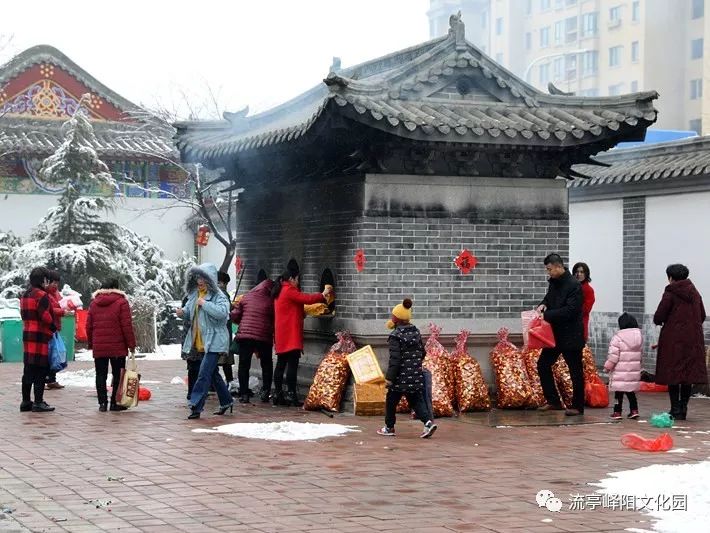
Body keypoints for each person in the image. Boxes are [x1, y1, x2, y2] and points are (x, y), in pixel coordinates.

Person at [177, 263, 233, 419]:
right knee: (213, 374)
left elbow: (223, 313)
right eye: (198, 277)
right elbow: (189, 310)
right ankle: (227, 401)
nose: (199, 280)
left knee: (203, 374)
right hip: (200, 341)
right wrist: (182, 312)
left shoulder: (219, 296)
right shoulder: (195, 294)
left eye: (203, 277)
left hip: (214, 341)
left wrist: (205, 304)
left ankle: (195, 406)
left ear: (210, 279)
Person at [271, 259, 330, 407]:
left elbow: (292, 308)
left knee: (280, 365)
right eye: (297, 279)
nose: (298, 282)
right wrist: (322, 295)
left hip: (282, 335)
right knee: (291, 366)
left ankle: (278, 394)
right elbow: (307, 299)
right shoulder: (289, 290)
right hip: (290, 335)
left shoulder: (280, 290)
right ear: (291, 279)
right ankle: (291, 394)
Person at [653, 264, 707, 421]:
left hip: (673, 340)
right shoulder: (695, 293)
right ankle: (683, 409)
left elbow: (659, 316)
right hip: (693, 340)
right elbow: (702, 315)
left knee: (673, 374)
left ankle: (675, 409)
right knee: (687, 375)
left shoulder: (670, 292)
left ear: (671, 277)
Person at [378, 298, 437, 438]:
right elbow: (422, 352)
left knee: (391, 401)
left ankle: (389, 427)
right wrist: (415, 365)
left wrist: (389, 378)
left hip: (399, 377)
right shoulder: (416, 332)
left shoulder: (395, 336)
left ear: (395, 319)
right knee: (416, 401)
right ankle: (428, 423)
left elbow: (395, 360)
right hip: (415, 375)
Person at [535, 253, 586, 416]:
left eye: (549, 269)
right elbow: (549, 299)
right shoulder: (554, 283)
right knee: (543, 364)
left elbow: (571, 311)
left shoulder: (573, 285)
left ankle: (578, 406)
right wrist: (543, 305)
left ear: (558, 266)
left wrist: (547, 315)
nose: (548, 272)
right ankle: (553, 401)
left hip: (571, 335)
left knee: (575, 370)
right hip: (555, 334)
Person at [86, 278, 137, 412]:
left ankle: (102, 403)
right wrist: (131, 344)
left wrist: (92, 343)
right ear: (116, 287)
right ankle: (115, 403)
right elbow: (126, 326)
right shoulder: (121, 302)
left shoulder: (94, 303)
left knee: (100, 374)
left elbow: (89, 326)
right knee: (118, 374)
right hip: (117, 347)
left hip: (100, 346)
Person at [231, 276, 275, 403]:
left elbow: (234, 315)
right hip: (263, 336)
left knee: (244, 365)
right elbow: (275, 319)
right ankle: (265, 392)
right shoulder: (271, 300)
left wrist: (243, 322)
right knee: (266, 364)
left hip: (245, 336)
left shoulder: (247, 297)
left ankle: (244, 394)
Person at [20, 267, 56, 413]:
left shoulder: (25, 294)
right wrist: (53, 327)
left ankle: (26, 401)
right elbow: (45, 316)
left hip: (28, 334)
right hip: (40, 336)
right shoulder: (42, 295)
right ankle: (39, 402)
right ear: (43, 280)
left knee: (28, 369)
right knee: (40, 370)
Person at [604, 312, 642, 420]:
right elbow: (640, 356)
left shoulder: (617, 338)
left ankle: (617, 412)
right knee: (631, 392)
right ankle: (634, 410)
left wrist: (607, 367)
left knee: (618, 394)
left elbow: (613, 357)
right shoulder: (638, 337)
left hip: (620, 372)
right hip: (633, 371)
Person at [216, 270, 236, 393]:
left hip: (220, 333)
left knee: (220, 361)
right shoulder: (222, 294)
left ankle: (222, 383)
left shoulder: (215, 294)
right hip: (222, 333)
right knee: (224, 361)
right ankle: (228, 382)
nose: (222, 286)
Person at [572, 262, 595, 343]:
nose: (579, 274)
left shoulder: (588, 290)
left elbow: (585, 310)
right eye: (577, 272)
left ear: (586, 274)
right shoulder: (570, 287)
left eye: (582, 272)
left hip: (579, 326)